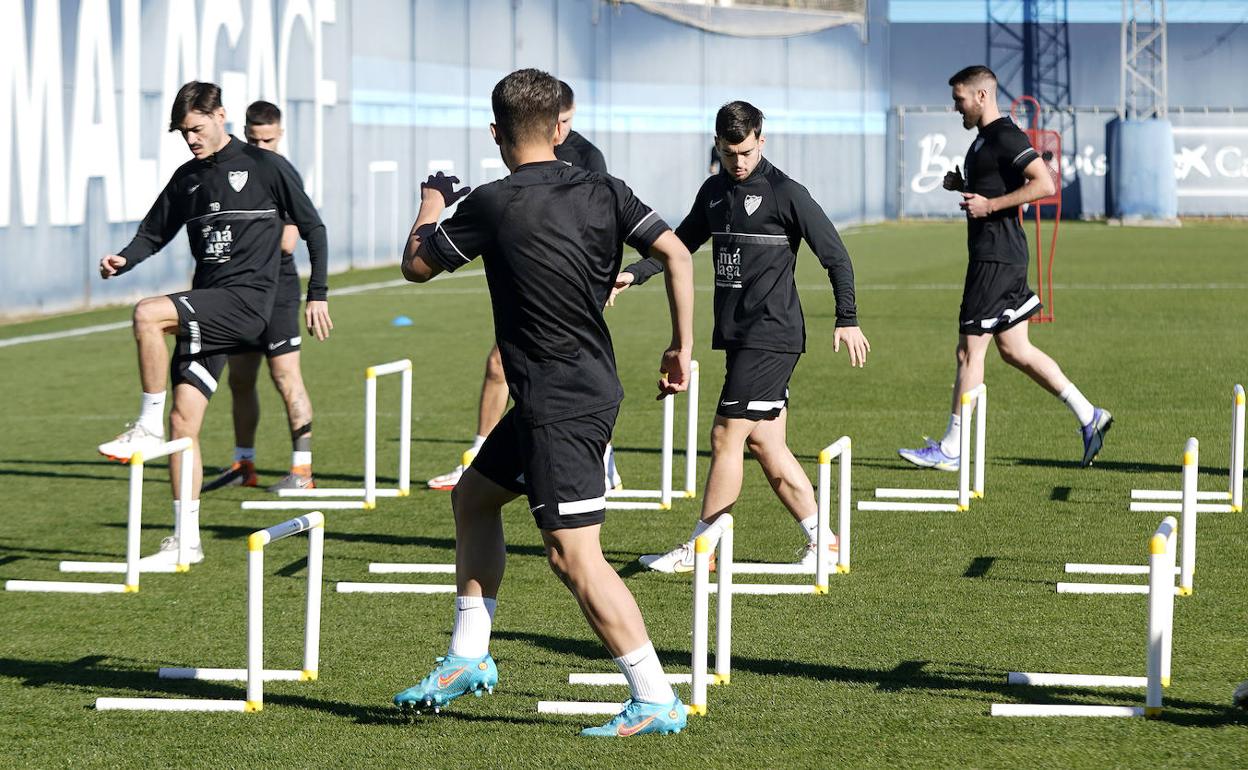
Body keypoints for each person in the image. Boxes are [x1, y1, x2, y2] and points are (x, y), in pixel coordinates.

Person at [393, 68, 695, 738]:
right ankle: (467, 658)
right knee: (472, 497)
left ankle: (654, 697)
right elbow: (675, 253)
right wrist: (681, 348)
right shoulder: (605, 189)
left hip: (563, 403)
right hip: (553, 395)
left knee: (573, 556)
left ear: (495, 133)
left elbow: (414, 264)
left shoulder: (492, 203)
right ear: (563, 125)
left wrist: (432, 200)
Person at [615, 100, 870, 574]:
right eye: (731, 153)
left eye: (748, 152)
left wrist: (847, 316)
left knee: (724, 435)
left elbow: (835, 255)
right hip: (738, 337)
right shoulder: (713, 191)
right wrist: (637, 273)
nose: (740, 162)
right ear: (717, 145)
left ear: (761, 140)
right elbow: (680, 244)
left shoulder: (786, 192)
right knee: (765, 445)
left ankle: (701, 548)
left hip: (772, 336)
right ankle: (824, 541)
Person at [97, 82, 330, 567]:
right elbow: (153, 233)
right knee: (184, 421)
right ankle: (186, 539)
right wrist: (125, 258)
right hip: (210, 307)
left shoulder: (268, 168)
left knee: (147, 313)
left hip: (247, 305)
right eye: (184, 133)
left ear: (220, 116)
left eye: (197, 129)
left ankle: (143, 425)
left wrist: (318, 294)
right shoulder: (188, 178)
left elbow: (314, 227)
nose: (191, 140)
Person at [897, 65, 1111, 471]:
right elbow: (1005, 190)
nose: (955, 106)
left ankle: (952, 447)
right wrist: (963, 186)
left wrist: (989, 205)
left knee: (968, 351)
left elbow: (1044, 184)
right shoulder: (983, 142)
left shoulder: (1005, 136)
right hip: (999, 254)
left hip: (996, 258)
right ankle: (1089, 415)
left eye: (959, 99)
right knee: (1015, 350)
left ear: (981, 96)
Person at [427, 79, 619, 492]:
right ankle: (480, 456)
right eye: (559, 121)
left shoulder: (588, 159)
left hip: (569, 293)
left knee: (571, 557)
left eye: (567, 121)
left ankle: (602, 460)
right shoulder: (520, 159)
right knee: (503, 367)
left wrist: (604, 281)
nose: (562, 130)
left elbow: (603, 227)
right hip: (533, 292)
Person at [203, 100, 329, 493]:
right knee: (240, 379)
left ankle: (303, 470)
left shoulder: (282, 173)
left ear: (280, 134)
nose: (261, 147)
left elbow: (290, 241)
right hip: (239, 291)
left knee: (285, 375)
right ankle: (244, 464)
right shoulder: (234, 170)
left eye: (268, 140)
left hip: (277, 290)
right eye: (254, 139)